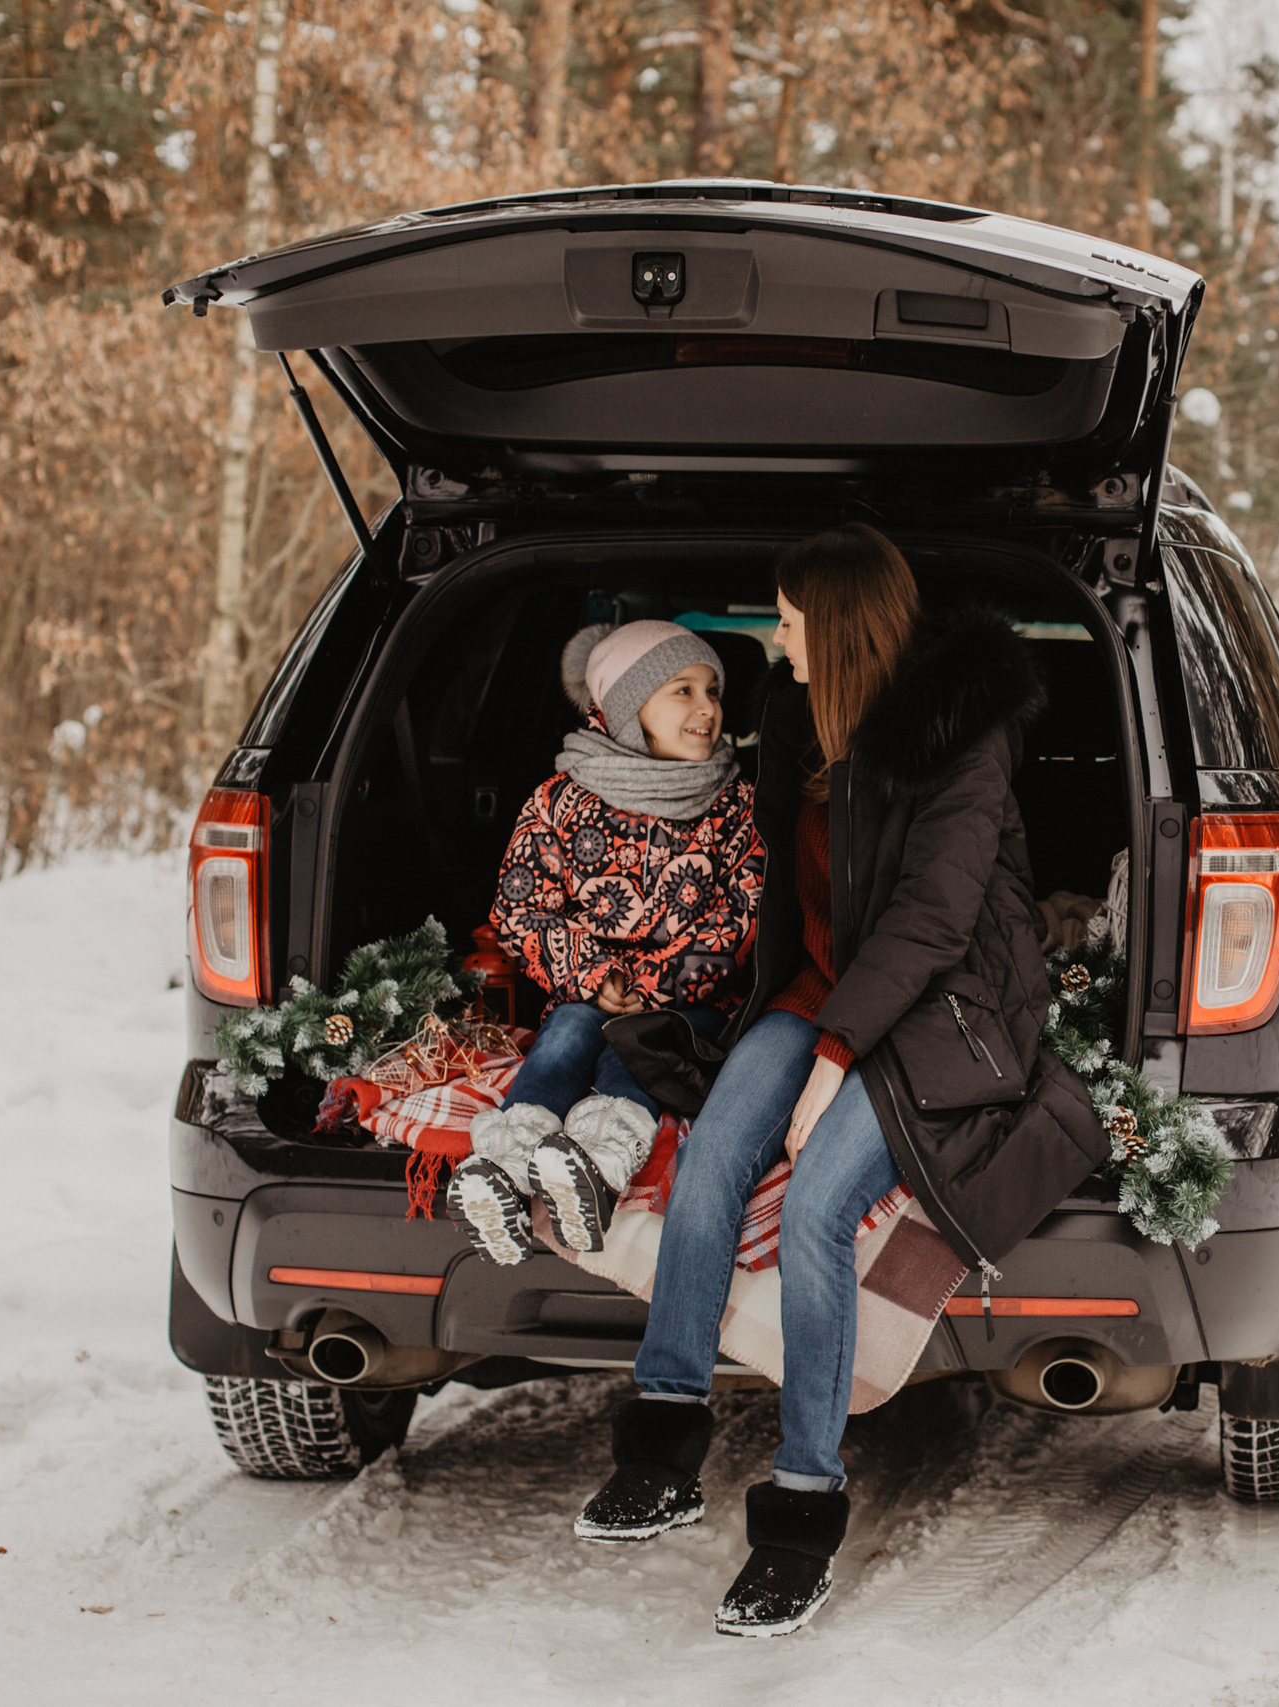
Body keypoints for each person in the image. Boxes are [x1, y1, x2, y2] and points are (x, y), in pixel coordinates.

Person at [573, 525, 1106, 1639]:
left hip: (941, 1011)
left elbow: (928, 925)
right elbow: (756, 873)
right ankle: (666, 1439)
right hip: (820, 990)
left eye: (789, 618)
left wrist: (829, 1065)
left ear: (842, 626)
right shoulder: (790, 714)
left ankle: (802, 1511)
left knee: (816, 1204)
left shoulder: (961, 737)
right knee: (717, 1153)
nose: (775, 637)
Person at [449, 619, 763, 1266]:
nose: (709, 708)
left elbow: (740, 913)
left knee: (639, 1047)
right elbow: (519, 905)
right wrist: (594, 976)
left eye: (714, 690)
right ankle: (502, 1173)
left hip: (686, 1001)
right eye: (683, 690)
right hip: (587, 988)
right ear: (627, 706)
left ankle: (593, 1169)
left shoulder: (734, 805)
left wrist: (651, 987)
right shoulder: (560, 802)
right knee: (566, 1033)